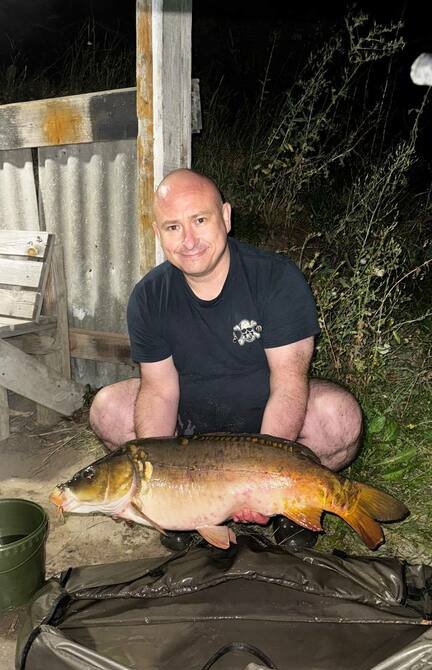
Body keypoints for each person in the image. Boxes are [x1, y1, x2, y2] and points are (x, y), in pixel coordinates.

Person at [90, 169, 362, 551]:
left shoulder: (276, 279)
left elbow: (288, 384)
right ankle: (180, 509)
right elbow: (159, 390)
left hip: (268, 423)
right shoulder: (149, 297)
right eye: (173, 227)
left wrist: (261, 479)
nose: (188, 240)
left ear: (226, 217)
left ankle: (292, 502)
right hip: (189, 431)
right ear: (157, 233)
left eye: (200, 220)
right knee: (106, 409)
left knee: (339, 418)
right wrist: (158, 481)